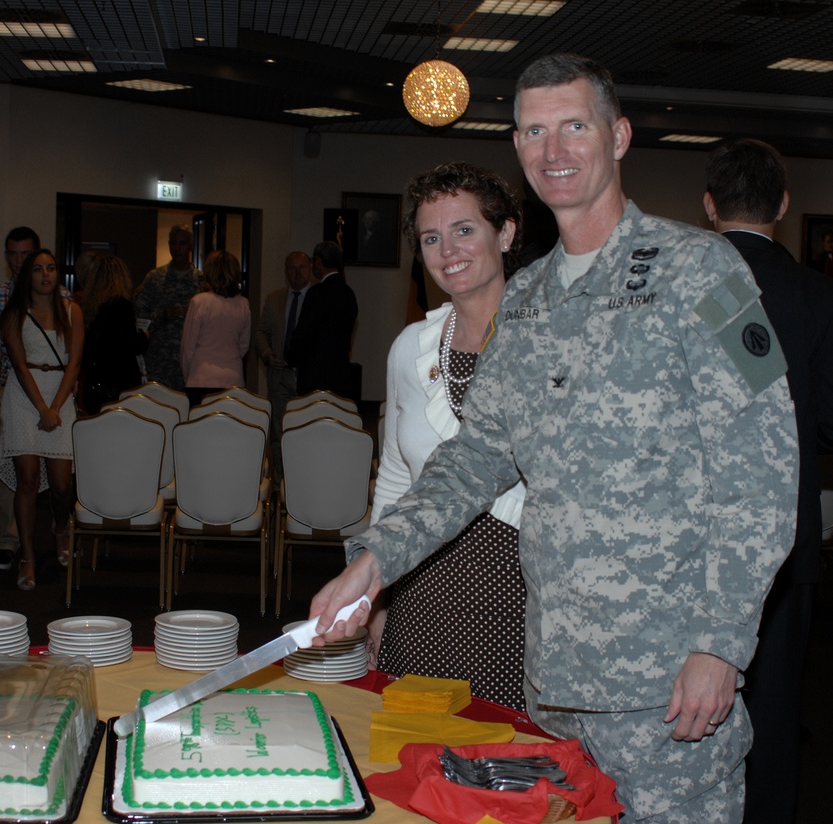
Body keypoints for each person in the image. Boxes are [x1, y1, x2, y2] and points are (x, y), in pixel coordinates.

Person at [309, 54, 798, 822]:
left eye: (575, 125)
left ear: (620, 136)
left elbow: (764, 471)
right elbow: (473, 459)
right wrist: (377, 560)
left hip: (668, 689)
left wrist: (721, 644)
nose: (554, 149)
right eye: (535, 130)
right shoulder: (528, 300)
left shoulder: (701, 272)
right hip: (553, 686)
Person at [704, 137, 833, 824]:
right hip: (785, 540)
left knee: (686, 708)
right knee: (777, 712)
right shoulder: (816, 293)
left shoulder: (689, 290)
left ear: (707, 206)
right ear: (784, 204)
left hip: (695, 540)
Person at [371, 162, 528, 709]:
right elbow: (394, 475)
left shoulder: (547, 342)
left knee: (511, 770)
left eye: (464, 230)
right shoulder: (410, 348)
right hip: (423, 592)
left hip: (522, 595)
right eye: (431, 238)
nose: (447, 250)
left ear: (505, 233)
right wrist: (378, 595)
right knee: (415, 770)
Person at [0, 249, 83, 591]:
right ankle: (28, 556)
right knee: (28, 481)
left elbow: (75, 363)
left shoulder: (72, 310)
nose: (45, 275)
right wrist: (41, 409)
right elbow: (18, 366)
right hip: (23, 398)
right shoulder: (15, 314)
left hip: (60, 396)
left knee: (62, 485)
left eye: (50, 268)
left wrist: (56, 407)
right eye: (37, 269)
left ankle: (60, 528)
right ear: (27, 276)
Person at [0, 226, 40, 571]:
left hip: (48, 388)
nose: (18, 260)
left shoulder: (57, 294)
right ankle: (8, 539)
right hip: (9, 389)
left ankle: (57, 530)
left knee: (54, 471)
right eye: (13, 254)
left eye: (25, 254)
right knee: (9, 465)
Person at [254, 250, 313, 458]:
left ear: (310, 269)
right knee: (279, 433)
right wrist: (266, 354)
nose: (297, 273)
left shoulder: (318, 298)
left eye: (302, 267)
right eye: (292, 268)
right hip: (280, 376)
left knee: (305, 431)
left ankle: (301, 483)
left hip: (307, 377)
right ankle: (280, 482)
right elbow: (261, 332)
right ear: (285, 272)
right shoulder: (274, 299)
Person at [134, 224, 202, 391]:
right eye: (173, 243)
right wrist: (161, 315)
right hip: (158, 362)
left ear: (191, 246)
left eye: (182, 243)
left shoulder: (201, 281)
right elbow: (139, 316)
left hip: (190, 365)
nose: (177, 248)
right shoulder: (154, 278)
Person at [287, 241, 358, 399]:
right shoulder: (349, 294)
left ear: (318, 262)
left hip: (315, 379)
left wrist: (290, 356)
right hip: (341, 377)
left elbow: (304, 333)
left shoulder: (317, 293)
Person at [180, 250, 251, 406]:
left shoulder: (199, 302)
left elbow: (188, 347)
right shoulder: (243, 304)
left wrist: (188, 375)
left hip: (200, 378)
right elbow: (244, 345)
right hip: (233, 378)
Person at [80, 254, 148, 413]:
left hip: (95, 383)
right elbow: (130, 344)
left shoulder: (89, 307)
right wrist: (144, 338)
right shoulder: (122, 305)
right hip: (119, 384)